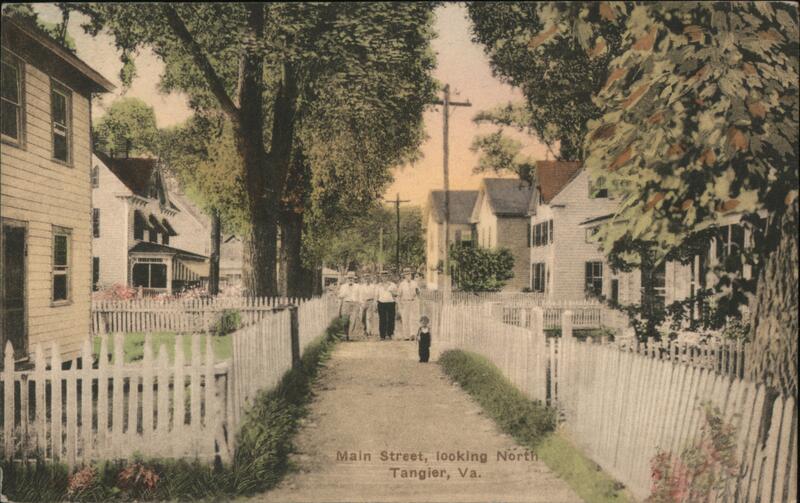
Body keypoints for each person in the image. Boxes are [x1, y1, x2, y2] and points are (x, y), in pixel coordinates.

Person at [397, 268, 420, 340]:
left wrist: (417, 292)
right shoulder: (402, 284)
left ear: (411, 275)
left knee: (414, 319)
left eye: (409, 274)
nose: (408, 276)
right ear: (404, 276)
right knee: (405, 319)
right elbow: (399, 295)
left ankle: (413, 334)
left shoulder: (414, 283)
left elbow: (418, 293)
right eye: (406, 274)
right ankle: (406, 336)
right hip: (405, 302)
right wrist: (400, 305)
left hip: (413, 302)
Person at [338, 272, 360, 341]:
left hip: (355, 304)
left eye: (352, 278)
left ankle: (351, 336)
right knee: (345, 320)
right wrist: (344, 294)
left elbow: (360, 296)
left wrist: (359, 305)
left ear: (354, 279)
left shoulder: (357, 286)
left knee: (353, 320)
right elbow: (339, 296)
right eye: (349, 278)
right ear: (347, 279)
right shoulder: (343, 286)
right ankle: (345, 335)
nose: (351, 279)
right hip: (346, 303)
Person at [376, 272, 397, 340]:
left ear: (388, 277)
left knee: (391, 319)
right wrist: (375, 304)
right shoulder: (378, 285)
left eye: (386, 276)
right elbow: (376, 295)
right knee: (382, 319)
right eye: (383, 276)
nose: (384, 278)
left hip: (391, 303)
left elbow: (396, 294)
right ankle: (382, 335)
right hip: (381, 303)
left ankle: (390, 334)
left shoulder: (392, 284)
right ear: (381, 277)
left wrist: (392, 292)